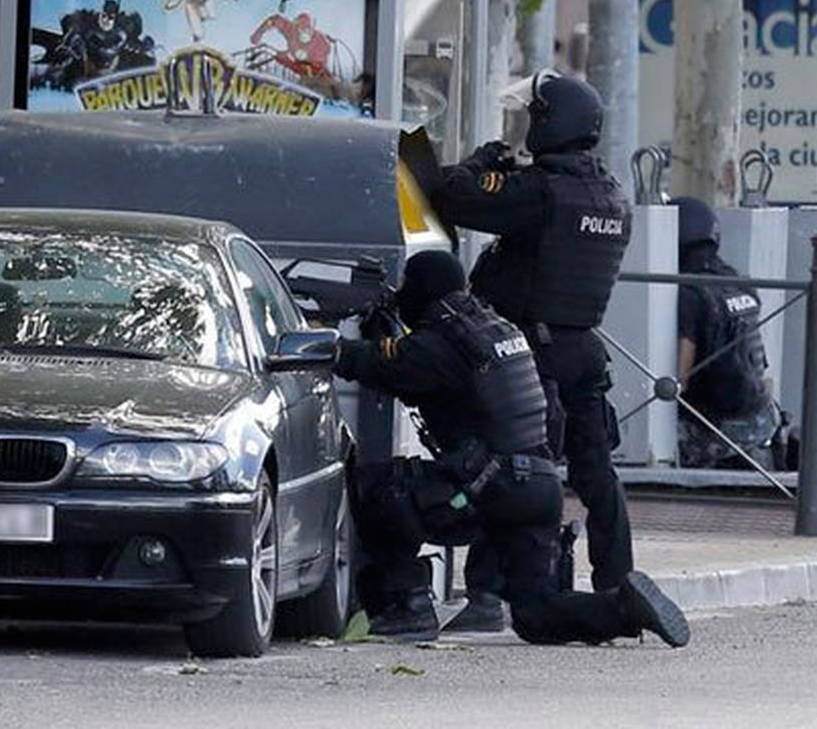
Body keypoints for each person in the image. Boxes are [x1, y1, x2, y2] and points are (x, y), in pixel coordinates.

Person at [334, 250, 688, 648]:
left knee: (380, 490)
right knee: (535, 614)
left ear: (423, 291)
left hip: (484, 490)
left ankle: (408, 606)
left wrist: (333, 343)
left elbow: (371, 365)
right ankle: (622, 611)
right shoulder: (498, 328)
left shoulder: (443, 344)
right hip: (537, 488)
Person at [431, 71, 634, 630]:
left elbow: (451, 193)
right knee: (597, 474)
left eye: (532, 118)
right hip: (585, 351)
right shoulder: (612, 194)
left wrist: (484, 158)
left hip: (529, 354)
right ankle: (619, 580)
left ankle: (488, 598)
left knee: (518, 470)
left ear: (551, 123)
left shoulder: (544, 191)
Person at [672, 196, 779, 469]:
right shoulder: (740, 283)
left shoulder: (689, 294)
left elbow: (677, 381)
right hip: (763, 418)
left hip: (716, 429)